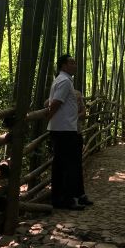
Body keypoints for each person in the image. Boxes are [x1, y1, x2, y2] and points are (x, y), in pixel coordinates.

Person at [46, 54, 85, 211]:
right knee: (67, 165)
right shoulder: (64, 81)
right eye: (71, 63)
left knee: (61, 164)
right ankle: (66, 200)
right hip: (64, 128)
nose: (75, 65)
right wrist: (48, 115)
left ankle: (60, 198)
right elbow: (56, 102)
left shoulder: (63, 80)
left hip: (63, 127)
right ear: (63, 66)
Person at [74, 89, 93, 205]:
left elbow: (84, 112)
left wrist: (74, 116)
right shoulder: (57, 92)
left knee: (76, 164)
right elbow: (47, 104)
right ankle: (73, 195)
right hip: (65, 132)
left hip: (76, 131)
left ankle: (79, 195)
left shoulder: (77, 94)